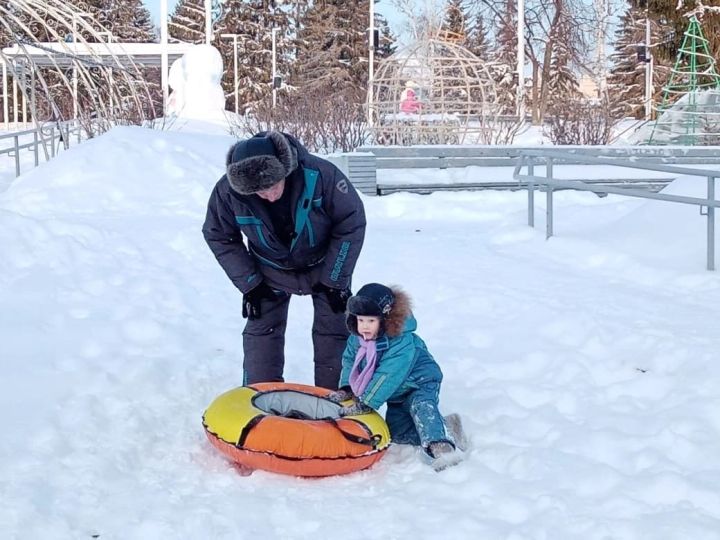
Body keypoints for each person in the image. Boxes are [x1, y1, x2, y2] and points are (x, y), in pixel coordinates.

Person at [202, 131, 366, 389]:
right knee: (261, 334)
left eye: (272, 186)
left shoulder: (320, 175)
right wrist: (251, 283)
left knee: (335, 330)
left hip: (324, 265)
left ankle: (336, 400)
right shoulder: (229, 191)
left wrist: (335, 279)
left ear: (285, 171)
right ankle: (260, 398)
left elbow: (351, 222)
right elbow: (218, 234)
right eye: (259, 192)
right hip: (269, 270)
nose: (268, 195)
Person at [327, 283, 468, 471]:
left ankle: (442, 448)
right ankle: (449, 426)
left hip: (419, 382)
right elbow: (350, 361)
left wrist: (366, 402)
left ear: (385, 319)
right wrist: (347, 387)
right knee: (398, 433)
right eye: (361, 321)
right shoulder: (357, 339)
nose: (364, 327)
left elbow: (388, 374)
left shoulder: (401, 342)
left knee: (422, 408)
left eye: (371, 321)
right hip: (397, 392)